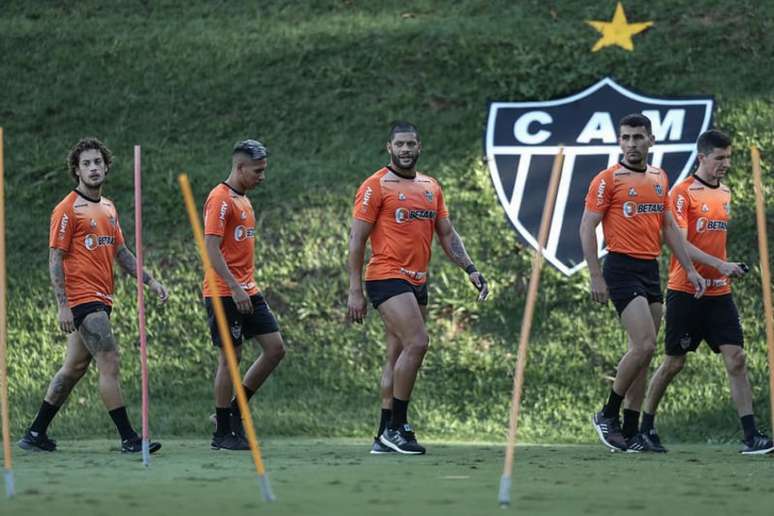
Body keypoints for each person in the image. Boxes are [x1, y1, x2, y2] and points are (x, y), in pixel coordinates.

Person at [18, 137, 168, 453]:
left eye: (97, 162)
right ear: (77, 170)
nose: (93, 168)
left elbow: (122, 251)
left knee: (72, 369)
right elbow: (55, 258)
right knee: (109, 361)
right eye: (86, 163)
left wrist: (151, 281)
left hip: (102, 296)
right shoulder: (67, 209)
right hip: (83, 299)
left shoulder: (109, 207)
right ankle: (129, 439)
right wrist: (63, 306)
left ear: (106, 166)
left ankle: (35, 433)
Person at [347, 121, 489, 455]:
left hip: (417, 280)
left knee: (397, 355)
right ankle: (399, 426)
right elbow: (357, 238)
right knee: (418, 342)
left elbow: (447, 234)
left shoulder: (431, 186)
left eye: (411, 144)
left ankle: (383, 434)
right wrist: (355, 289)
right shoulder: (376, 186)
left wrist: (470, 268)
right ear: (389, 148)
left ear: (419, 147)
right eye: (400, 145)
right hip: (385, 276)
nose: (406, 150)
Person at [640, 130, 774, 454]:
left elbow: (713, 241)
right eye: (719, 158)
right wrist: (720, 263)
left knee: (737, 359)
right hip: (686, 291)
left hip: (719, 294)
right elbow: (680, 243)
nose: (725, 164)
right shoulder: (683, 194)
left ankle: (750, 435)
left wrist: (727, 268)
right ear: (702, 158)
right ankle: (644, 426)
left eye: (728, 157)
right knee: (674, 363)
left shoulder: (725, 192)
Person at [579, 114, 705, 452]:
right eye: (626, 138)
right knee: (645, 344)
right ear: (619, 142)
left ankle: (633, 431)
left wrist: (690, 269)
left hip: (650, 268)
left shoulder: (659, 176)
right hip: (620, 267)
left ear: (651, 140)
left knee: (645, 355)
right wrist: (595, 274)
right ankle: (608, 414)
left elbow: (668, 227)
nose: (631, 144)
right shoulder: (608, 179)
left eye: (638, 137)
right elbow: (586, 226)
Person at [204, 139, 286, 451]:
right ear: (240, 167)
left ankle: (235, 411)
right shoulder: (220, 199)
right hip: (224, 292)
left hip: (248, 289)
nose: (262, 176)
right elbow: (210, 249)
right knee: (231, 357)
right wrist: (235, 287)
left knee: (275, 349)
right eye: (258, 170)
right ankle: (222, 432)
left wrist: (245, 287)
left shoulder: (244, 199)